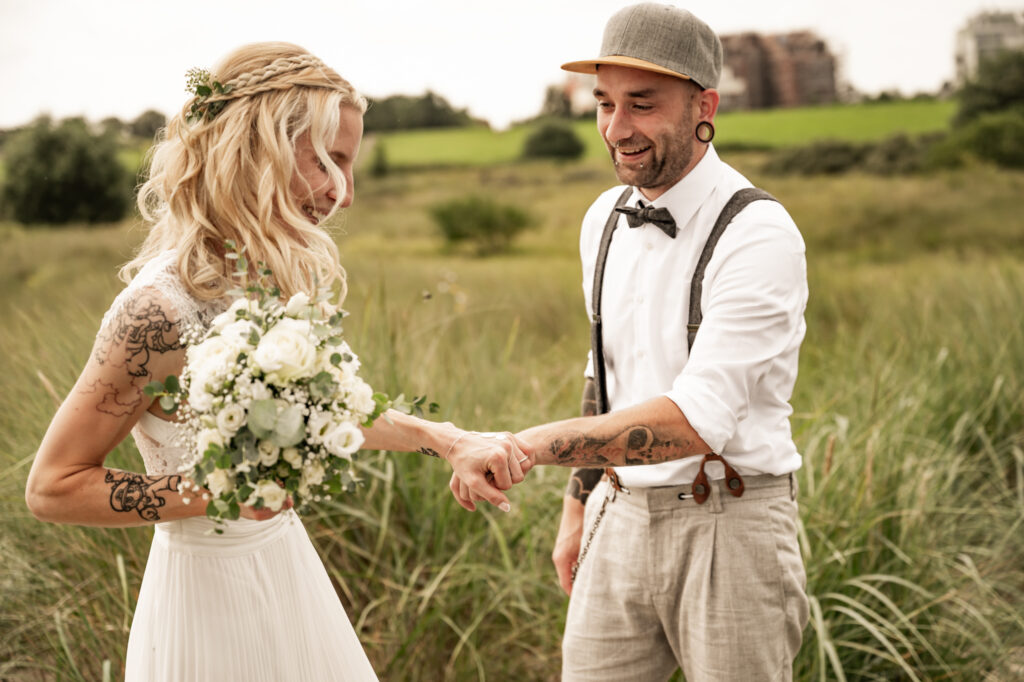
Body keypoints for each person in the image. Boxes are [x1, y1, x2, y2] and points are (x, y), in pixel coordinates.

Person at [25, 42, 527, 682]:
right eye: (330, 160)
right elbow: (53, 487)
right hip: (205, 602)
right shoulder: (155, 312)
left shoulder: (268, 280)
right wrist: (216, 494)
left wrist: (445, 438)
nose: (343, 194)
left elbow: (322, 417)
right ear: (260, 147)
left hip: (288, 573)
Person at [451, 4, 810, 680]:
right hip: (618, 513)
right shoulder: (603, 220)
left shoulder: (757, 233)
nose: (617, 129)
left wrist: (523, 447)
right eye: (605, 103)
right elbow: (604, 375)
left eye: (641, 105)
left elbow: (697, 420)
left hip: (729, 525)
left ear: (704, 104)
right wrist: (577, 509)